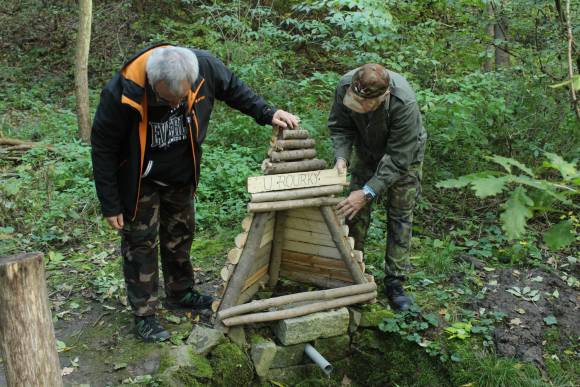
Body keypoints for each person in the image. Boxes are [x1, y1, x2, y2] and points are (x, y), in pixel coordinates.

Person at [91, 44, 299, 341]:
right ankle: (145, 314)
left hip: (180, 173)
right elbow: (103, 148)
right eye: (167, 98)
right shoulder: (123, 91)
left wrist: (268, 112)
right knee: (140, 245)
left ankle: (180, 292)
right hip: (140, 181)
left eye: (182, 98)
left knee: (180, 233)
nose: (175, 103)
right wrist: (110, 204)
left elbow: (235, 89)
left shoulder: (204, 67)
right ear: (153, 82)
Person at [328, 63, 426, 311]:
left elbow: (398, 158)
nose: (358, 107)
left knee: (400, 214)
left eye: (365, 104)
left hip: (404, 157)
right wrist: (341, 157)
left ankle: (395, 280)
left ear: (384, 96)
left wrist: (369, 191)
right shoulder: (344, 85)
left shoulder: (404, 104)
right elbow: (340, 127)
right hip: (366, 152)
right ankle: (352, 269)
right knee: (353, 209)